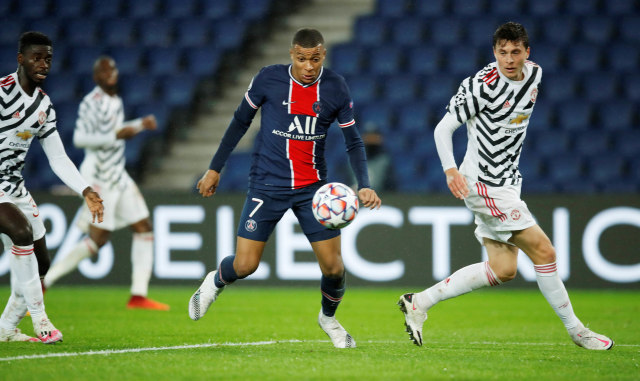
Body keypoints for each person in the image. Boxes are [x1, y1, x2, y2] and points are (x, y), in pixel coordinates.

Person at [398, 22, 614, 351]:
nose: (509, 59)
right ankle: (577, 330)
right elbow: (443, 130)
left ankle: (419, 303)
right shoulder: (478, 88)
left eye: (515, 52)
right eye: (502, 52)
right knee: (545, 251)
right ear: (494, 52)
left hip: (509, 182)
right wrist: (450, 170)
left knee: (504, 268)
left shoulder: (534, 75)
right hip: (483, 184)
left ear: (528, 53)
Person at [188, 28, 381, 348]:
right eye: (303, 58)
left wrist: (365, 185)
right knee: (245, 265)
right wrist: (214, 168)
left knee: (334, 267)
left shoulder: (335, 86)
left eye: (315, 59)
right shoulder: (268, 79)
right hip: (266, 184)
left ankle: (328, 318)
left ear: (323, 55)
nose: (309, 65)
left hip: (313, 191)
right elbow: (239, 122)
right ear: (292, 54)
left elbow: (354, 141)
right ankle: (216, 280)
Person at [0, 31, 104, 343]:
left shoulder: (44, 106)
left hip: (14, 187)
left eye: (48, 58)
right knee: (21, 234)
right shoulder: (2, 93)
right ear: (21, 59)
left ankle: (6, 328)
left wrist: (86, 190)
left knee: (42, 262)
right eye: (36, 57)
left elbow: (58, 158)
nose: (43, 63)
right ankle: (41, 321)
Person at [43, 56, 169, 311]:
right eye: (103, 70)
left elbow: (117, 131)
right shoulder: (92, 102)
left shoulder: (115, 100)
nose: (109, 73)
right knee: (98, 239)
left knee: (144, 227)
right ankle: (46, 280)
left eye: (112, 68)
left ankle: (138, 295)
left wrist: (139, 125)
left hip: (117, 175)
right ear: (96, 77)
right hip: (99, 177)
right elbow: (80, 138)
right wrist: (115, 134)